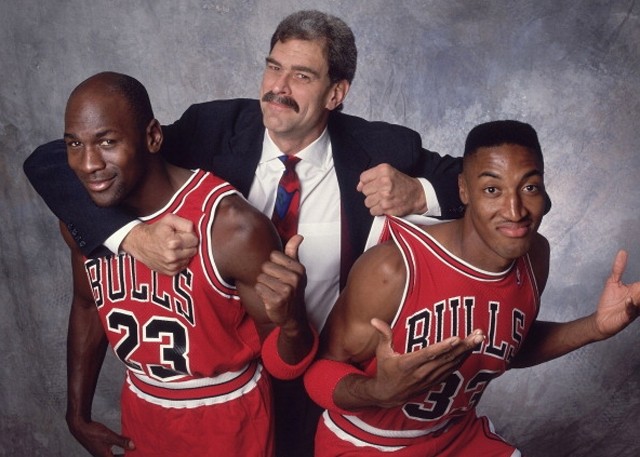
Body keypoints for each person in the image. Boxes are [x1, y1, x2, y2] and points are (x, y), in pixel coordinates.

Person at [23, 10, 475, 456]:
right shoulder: (211, 129)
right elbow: (61, 162)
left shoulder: (381, 147)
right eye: (274, 67)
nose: (279, 87)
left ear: (336, 93)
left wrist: (418, 192)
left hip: (324, 369)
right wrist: (129, 237)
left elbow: (480, 181)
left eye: (301, 76)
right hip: (232, 375)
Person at [303, 120, 640, 456]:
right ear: (463, 190)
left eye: (529, 187)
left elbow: (505, 347)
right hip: (365, 442)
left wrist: (594, 328)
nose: (515, 211)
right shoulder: (393, 269)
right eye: (492, 190)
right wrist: (378, 391)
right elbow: (318, 372)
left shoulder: (535, 256)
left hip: (455, 437)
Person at [57, 71, 316, 456]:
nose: (89, 163)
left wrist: (293, 322)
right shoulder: (84, 218)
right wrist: (77, 414)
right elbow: (86, 305)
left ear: (152, 137)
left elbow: (285, 365)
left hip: (227, 418)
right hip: (142, 410)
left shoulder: (231, 228)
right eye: (75, 144)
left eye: (107, 142)